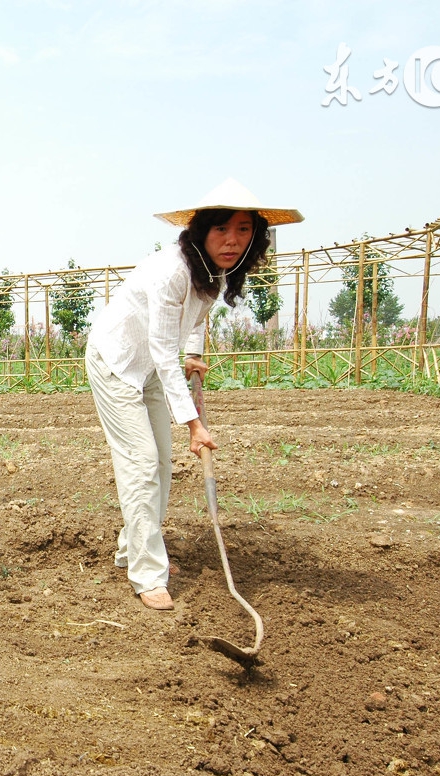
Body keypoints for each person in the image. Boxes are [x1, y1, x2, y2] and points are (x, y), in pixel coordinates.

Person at [84, 179, 302, 610]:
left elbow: (197, 315)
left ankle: (133, 547)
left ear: (256, 236)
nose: (232, 240)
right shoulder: (172, 271)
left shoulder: (213, 270)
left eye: (243, 230)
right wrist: (194, 424)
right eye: (221, 229)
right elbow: (163, 352)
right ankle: (148, 573)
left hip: (149, 365)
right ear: (201, 230)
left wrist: (195, 354)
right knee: (141, 462)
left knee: (161, 463)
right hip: (117, 361)